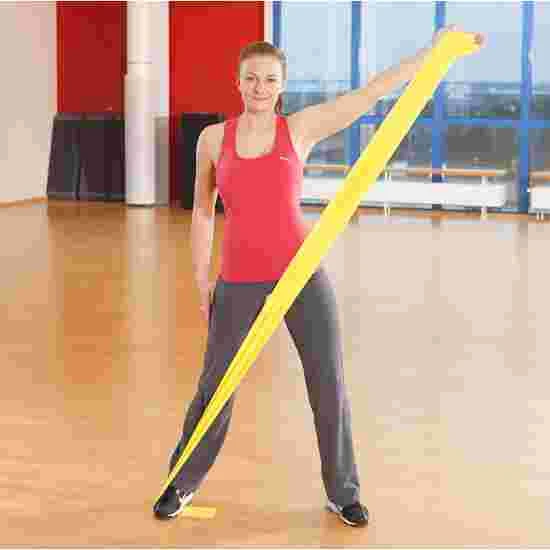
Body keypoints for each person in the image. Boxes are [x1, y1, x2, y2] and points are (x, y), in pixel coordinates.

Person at [154, 25, 485, 527]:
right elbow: (203, 211)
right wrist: (202, 280)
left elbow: (371, 93)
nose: (260, 87)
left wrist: (434, 51)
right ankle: (181, 482)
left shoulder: (301, 128)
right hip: (239, 278)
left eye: (270, 80)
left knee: (327, 384)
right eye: (251, 78)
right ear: (238, 81)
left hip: (302, 274)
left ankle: (342, 491)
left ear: (281, 86)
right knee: (215, 387)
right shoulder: (213, 139)